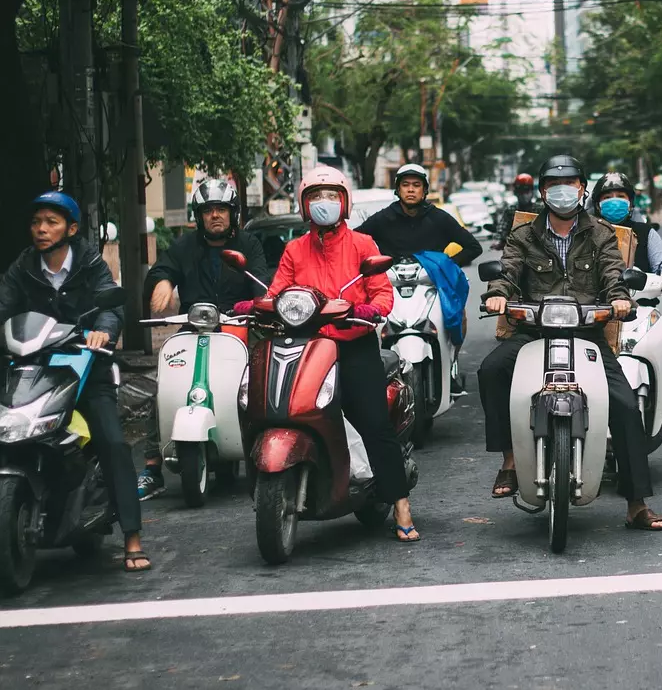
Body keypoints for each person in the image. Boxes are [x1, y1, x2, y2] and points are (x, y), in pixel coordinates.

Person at [478, 155, 662, 532]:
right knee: (491, 370)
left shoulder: (601, 234)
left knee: (627, 406)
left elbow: (614, 275)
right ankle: (510, 460)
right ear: (542, 191)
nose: (562, 192)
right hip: (532, 332)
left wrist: (620, 300)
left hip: (587, 336)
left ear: (583, 189)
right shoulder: (523, 235)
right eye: (553, 185)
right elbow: (509, 271)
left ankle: (636, 503)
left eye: (570, 184)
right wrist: (497, 295)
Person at [239, 166, 422, 541]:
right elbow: (277, 292)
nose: (324, 203)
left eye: (331, 196)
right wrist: (257, 305)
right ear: (305, 205)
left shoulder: (362, 245)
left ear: (344, 202)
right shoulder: (294, 249)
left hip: (353, 344)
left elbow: (381, 293)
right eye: (315, 197)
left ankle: (400, 502)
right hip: (305, 346)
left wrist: (372, 310)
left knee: (373, 421)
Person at [0, 193, 151, 571]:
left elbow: (111, 307)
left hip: (86, 367)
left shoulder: (89, 262)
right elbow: (3, 304)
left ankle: (132, 536)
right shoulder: (23, 267)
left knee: (113, 442)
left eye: (50, 222)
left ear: (71, 228)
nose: (41, 229)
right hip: (34, 367)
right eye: (36, 222)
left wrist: (103, 331)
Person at [136, 178, 268, 500]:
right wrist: (163, 282)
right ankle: (153, 468)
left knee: (261, 381)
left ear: (232, 213)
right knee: (162, 383)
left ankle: (262, 450)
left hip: (238, 328)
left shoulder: (248, 244)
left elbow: (261, 283)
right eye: (208, 210)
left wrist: (255, 306)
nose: (215, 216)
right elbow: (160, 270)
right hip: (192, 330)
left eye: (221, 209)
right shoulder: (184, 246)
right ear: (199, 216)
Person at [591, 172, 662, 478]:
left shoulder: (644, 231)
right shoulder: (587, 231)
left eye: (621, 197)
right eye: (607, 197)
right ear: (596, 203)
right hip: (597, 316)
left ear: (631, 202)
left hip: (641, 315)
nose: (614, 203)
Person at [355, 163, 481, 265]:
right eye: (405, 185)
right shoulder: (383, 218)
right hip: (391, 287)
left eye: (416, 185)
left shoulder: (439, 218)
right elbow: (352, 242)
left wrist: (447, 265)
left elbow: (474, 247)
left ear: (425, 190)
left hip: (432, 286)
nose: (410, 189)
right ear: (398, 190)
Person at [493, 173, 542, 250]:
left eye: (526, 191)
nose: (523, 195)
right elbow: (502, 227)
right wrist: (498, 240)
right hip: (516, 251)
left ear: (532, 192)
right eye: (520, 191)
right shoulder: (510, 210)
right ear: (516, 193)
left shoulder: (540, 209)